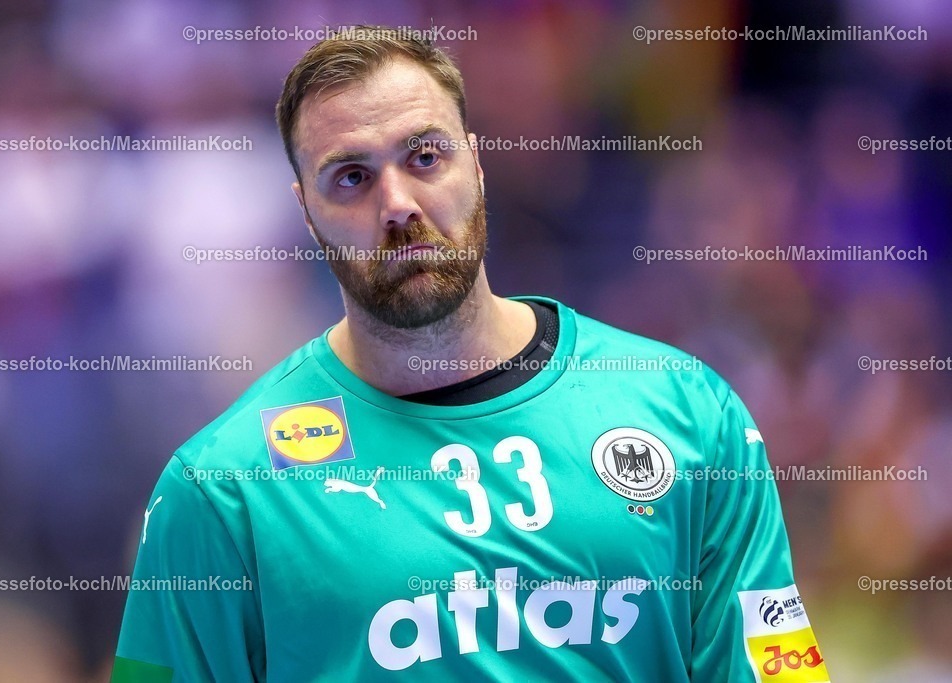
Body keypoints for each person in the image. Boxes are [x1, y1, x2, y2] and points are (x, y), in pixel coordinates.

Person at [112, 25, 828, 682]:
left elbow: (781, 668)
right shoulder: (220, 488)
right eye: (352, 177)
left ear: (476, 165)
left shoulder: (689, 413)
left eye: (425, 156)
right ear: (306, 212)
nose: (397, 203)